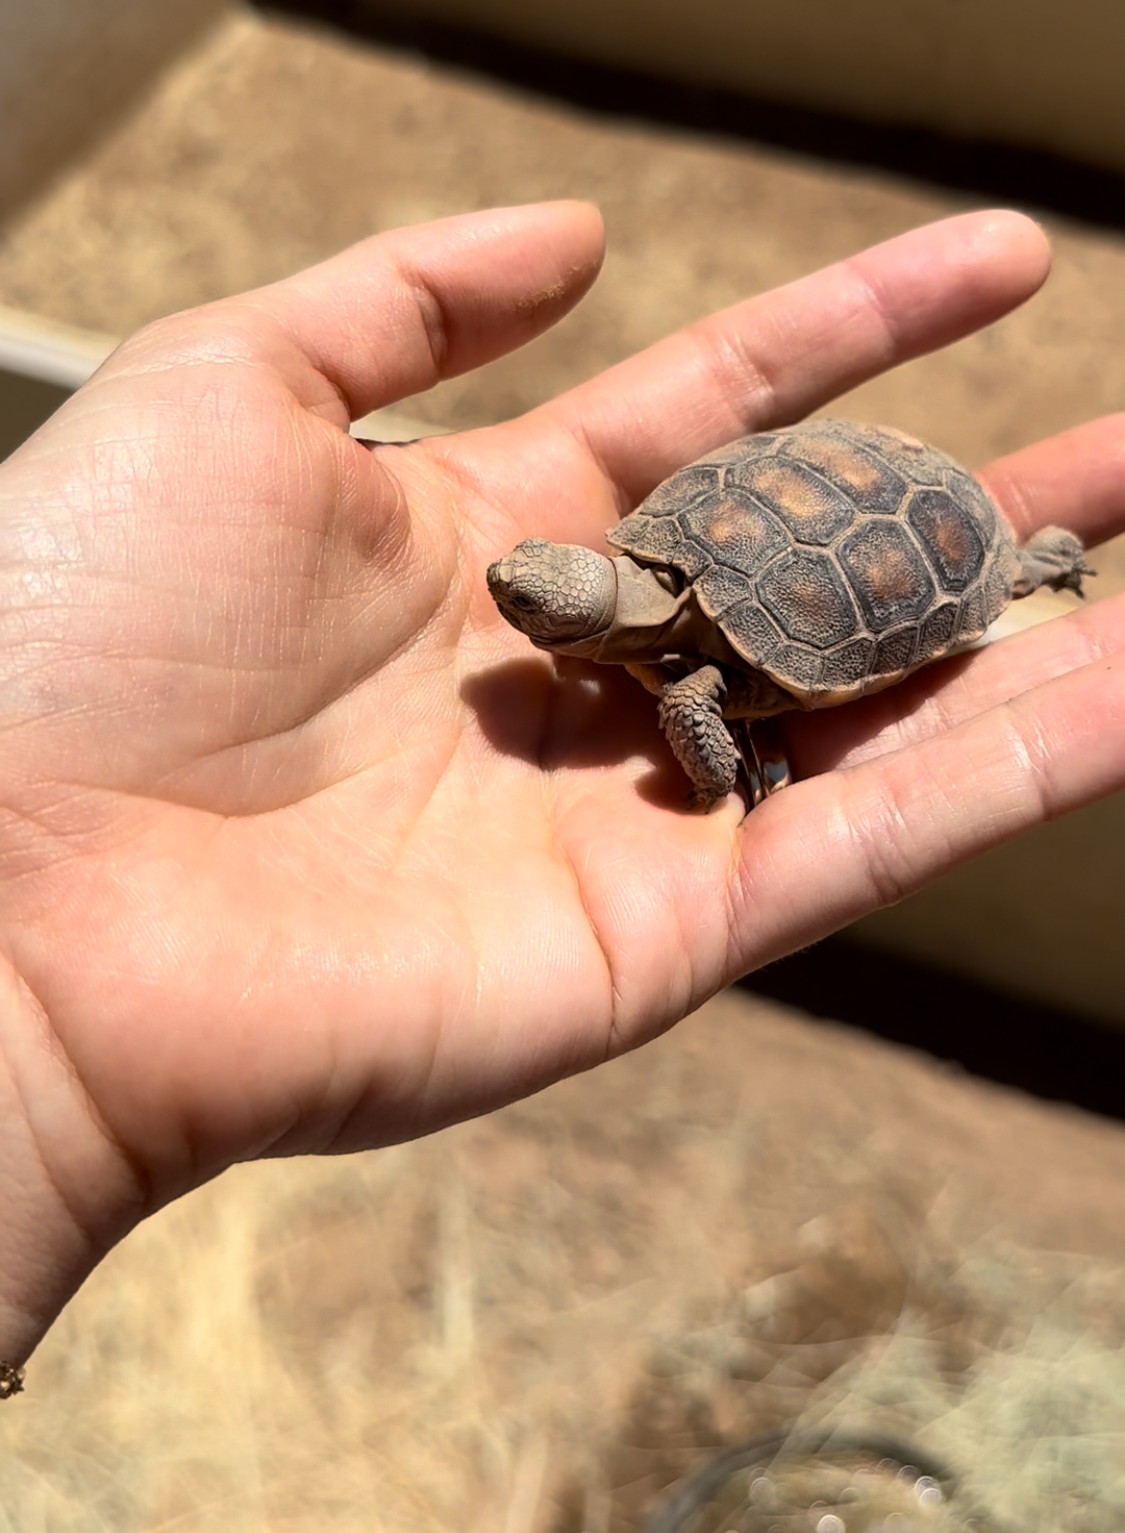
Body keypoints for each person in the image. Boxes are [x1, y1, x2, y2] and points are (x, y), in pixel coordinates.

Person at [0, 198, 1120, 1391]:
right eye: (531, 597)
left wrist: (714, 778)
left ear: (590, 618)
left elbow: (697, 712)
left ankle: (1022, 562)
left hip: (910, 534)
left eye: (532, 605)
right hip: (815, 497)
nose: (511, 598)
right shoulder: (646, 617)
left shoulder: (697, 684)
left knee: (949, 612)